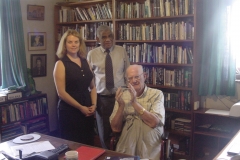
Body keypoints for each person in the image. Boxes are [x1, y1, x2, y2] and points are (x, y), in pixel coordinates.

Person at [87, 25, 130, 149]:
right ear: (97, 39)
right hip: (102, 100)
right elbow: (90, 80)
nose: (107, 39)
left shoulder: (121, 51)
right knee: (104, 133)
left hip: (120, 98)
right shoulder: (92, 54)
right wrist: (93, 102)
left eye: (110, 36)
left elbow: (128, 74)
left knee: (122, 131)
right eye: (103, 37)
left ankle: (121, 156)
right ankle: (108, 156)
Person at [110, 64, 165, 160]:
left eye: (137, 77)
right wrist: (121, 106)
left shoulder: (156, 94)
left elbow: (154, 122)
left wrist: (134, 103)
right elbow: (115, 128)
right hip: (128, 140)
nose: (134, 81)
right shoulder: (122, 95)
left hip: (150, 140)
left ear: (144, 76)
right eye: (130, 78)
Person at [53, 29, 97, 145]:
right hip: (70, 111)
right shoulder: (60, 64)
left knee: (88, 143)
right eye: (70, 42)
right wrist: (80, 107)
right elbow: (61, 93)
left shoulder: (85, 61)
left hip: (87, 111)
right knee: (72, 146)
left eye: (76, 42)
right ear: (65, 44)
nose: (73, 45)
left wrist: (94, 105)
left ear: (80, 44)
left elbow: (92, 87)